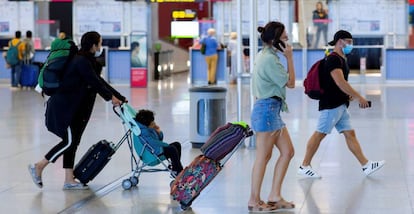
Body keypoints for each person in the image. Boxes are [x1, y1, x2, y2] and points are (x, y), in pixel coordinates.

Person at [28, 31, 126, 190]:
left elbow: (99, 81)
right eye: (99, 43)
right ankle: (39, 166)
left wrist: (119, 97)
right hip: (63, 109)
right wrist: (111, 98)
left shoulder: (87, 60)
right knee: (69, 142)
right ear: (94, 45)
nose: (100, 46)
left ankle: (68, 179)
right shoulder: (81, 61)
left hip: (74, 110)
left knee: (72, 143)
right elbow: (95, 82)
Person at [297, 30, 385, 179]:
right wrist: (359, 97)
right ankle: (304, 165)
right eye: (348, 41)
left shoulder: (341, 58)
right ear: (339, 41)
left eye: (351, 42)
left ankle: (366, 165)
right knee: (320, 134)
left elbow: (338, 84)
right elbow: (340, 82)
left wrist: (347, 95)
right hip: (331, 105)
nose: (351, 45)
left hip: (340, 104)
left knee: (349, 133)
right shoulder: (333, 59)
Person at [248, 21, 296, 212]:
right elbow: (291, 83)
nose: (287, 42)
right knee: (263, 156)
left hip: (271, 109)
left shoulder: (265, 55)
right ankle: (254, 200)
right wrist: (290, 58)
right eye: (285, 39)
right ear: (277, 41)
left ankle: (275, 195)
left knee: (288, 152)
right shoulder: (270, 60)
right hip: (267, 110)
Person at [134, 109, 183, 176]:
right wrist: (166, 145)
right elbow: (153, 142)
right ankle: (177, 170)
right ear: (147, 122)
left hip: (155, 150)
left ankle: (176, 168)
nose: (153, 122)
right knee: (172, 149)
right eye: (152, 121)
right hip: (154, 155)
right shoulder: (144, 131)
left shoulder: (145, 128)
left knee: (177, 145)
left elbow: (159, 139)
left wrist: (158, 131)